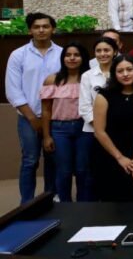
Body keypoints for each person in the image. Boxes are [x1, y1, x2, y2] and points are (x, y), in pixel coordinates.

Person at [5, 13, 61, 203]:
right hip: (28, 117)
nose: (41, 30)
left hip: (56, 117)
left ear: (53, 29)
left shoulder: (63, 54)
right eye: (36, 27)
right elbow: (13, 90)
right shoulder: (18, 55)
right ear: (30, 30)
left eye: (46, 26)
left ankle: (51, 199)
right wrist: (33, 119)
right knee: (30, 161)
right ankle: (26, 203)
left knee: (53, 161)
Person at [92, 55, 133, 202]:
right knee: (111, 204)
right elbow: (99, 131)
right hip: (110, 154)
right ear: (114, 74)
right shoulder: (104, 95)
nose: (125, 74)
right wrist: (120, 158)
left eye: (129, 69)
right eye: (120, 71)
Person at [40, 42, 90, 202]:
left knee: (83, 170)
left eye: (76, 55)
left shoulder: (89, 78)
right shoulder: (52, 80)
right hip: (60, 130)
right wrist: (46, 136)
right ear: (63, 58)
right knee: (64, 171)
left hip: (85, 129)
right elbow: (46, 110)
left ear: (83, 58)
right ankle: (65, 205)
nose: (72, 58)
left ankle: (84, 206)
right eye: (68, 55)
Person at [79, 37, 119, 197]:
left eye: (107, 50)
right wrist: (100, 127)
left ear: (114, 52)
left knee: (115, 169)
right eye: (99, 51)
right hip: (93, 131)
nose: (103, 54)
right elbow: (84, 107)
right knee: (94, 172)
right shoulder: (87, 76)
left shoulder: (120, 72)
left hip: (117, 130)